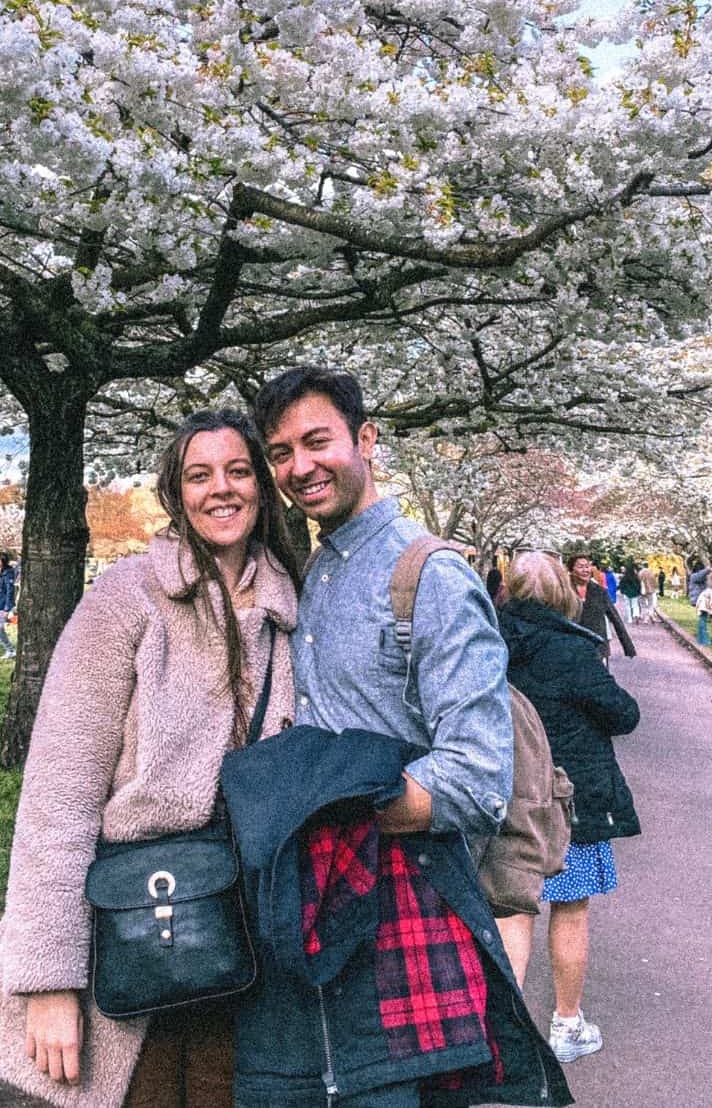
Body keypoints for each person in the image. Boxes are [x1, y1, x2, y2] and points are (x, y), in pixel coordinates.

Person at [0, 410, 301, 1106]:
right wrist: (47, 978)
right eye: (199, 475)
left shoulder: (292, 610)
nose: (220, 490)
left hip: (257, 938)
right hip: (145, 925)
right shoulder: (125, 601)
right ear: (175, 493)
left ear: (262, 485)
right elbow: (58, 795)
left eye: (238, 471)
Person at [247, 367, 532, 1107]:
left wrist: (319, 812)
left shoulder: (428, 575)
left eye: (317, 441)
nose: (299, 467)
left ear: (366, 440)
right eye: (280, 452)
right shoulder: (320, 567)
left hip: (405, 904)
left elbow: (476, 776)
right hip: (320, 904)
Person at [496, 552, 640, 1064]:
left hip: (507, 798)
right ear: (562, 593)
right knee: (571, 909)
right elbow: (623, 714)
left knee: (510, 909)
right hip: (568, 803)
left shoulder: (487, 642)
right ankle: (567, 1024)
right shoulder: (573, 651)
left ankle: (504, 1035)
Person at [566, 553, 635, 662]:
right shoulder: (562, 591)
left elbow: (615, 618)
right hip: (570, 647)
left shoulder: (599, 591)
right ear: (571, 569)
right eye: (580, 567)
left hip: (597, 647)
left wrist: (628, 646)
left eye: (587, 566)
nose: (585, 570)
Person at [695, 580, 712, 646]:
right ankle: (705, 640)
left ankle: (700, 639)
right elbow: (711, 603)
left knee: (701, 623)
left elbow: (699, 599)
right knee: (703, 624)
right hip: (704, 608)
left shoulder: (705, 591)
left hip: (701, 607)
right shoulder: (711, 592)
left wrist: (697, 608)